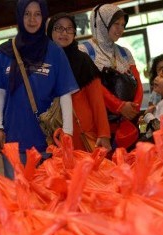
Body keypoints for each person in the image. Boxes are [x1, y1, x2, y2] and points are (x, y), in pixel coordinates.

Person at [0, 0, 78, 179]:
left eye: (37, 14)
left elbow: (65, 95)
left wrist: (67, 134)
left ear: (44, 16)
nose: (32, 19)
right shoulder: (4, 52)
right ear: (20, 16)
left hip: (47, 141)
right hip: (12, 140)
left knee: (48, 198)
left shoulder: (55, 52)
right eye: (27, 14)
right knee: (17, 198)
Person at [78, 4, 143, 150]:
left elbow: (138, 82)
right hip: (99, 128)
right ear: (102, 23)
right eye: (115, 24)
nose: (120, 29)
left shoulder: (125, 52)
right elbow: (92, 86)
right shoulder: (84, 51)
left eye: (122, 24)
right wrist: (120, 106)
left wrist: (134, 108)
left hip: (127, 125)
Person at [47, 12, 111, 152]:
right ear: (49, 32)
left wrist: (104, 133)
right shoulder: (43, 63)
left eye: (69, 28)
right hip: (53, 133)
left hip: (83, 130)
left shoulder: (82, 60)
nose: (65, 33)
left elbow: (97, 101)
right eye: (59, 28)